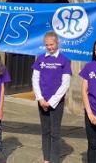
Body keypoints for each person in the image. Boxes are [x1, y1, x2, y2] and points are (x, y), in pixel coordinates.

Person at [32, 31, 71, 163]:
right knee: (45, 131)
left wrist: (52, 101)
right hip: (42, 101)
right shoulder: (40, 59)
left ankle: (54, 160)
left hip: (56, 103)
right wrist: (40, 98)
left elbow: (65, 84)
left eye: (52, 44)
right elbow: (35, 79)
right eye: (47, 45)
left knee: (55, 133)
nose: (50, 47)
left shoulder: (64, 60)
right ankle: (46, 159)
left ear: (57, 43)